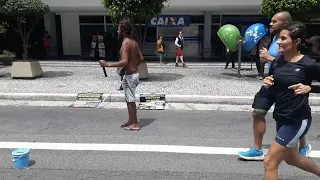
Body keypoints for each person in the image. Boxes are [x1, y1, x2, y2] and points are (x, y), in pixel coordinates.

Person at [238, 11, 312, 160]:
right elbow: (280, 62)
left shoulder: (292, 43)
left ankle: (303, 144)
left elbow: (293, 62)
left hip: (288, 85)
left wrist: (268, 58)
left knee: (294, 116)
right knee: (258, 112)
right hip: (272, 82)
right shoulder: (275, 39)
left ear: (285, 24)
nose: (270, 24)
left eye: (274, 21)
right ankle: (257, 150)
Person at [262, 21, 320, 180]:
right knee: (291, 158)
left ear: (297, 42)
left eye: (283, 38)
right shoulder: (278, 61)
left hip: (297, 119)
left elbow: (313, 85)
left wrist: (311, 88)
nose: (279, 42)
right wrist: (268, 82)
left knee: (269, 162)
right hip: (281, 116)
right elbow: (276, 83)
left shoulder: (308, 64)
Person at [99, 20, 144, 131]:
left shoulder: (126, 43)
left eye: (119, 29)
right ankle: (131, 120)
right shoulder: (134, 42)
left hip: (130, 76)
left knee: (131, 100)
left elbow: (124, 61)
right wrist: (134, 66)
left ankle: (134, 124)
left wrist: (107, 64)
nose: (118, 31)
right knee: (129, 99)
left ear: (123, 31)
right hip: (133, 74)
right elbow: (141, 59)